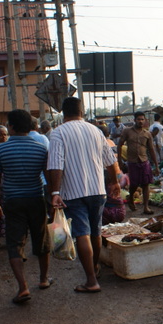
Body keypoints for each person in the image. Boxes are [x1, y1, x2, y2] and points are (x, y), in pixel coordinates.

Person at [47, 97, 118, 294]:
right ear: (82, 111)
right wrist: (114, 182)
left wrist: (55, 192)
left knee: (82, 233)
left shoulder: (58, 133)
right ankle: (94, 268)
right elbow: (110, 161)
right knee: (95, 231)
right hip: (97, 189)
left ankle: (91, 280)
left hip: (73, 191)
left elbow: (55, 164)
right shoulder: (95, 130)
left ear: (63, 112)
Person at [0, 109, 51, 305]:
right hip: (36, 198)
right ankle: (43, 280)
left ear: (13, 127)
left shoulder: (0, 149)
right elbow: (48, 179)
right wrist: (52, 202)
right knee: (40, 240)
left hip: (13, 201)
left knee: (14, 243)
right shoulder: (41, 149)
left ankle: (23, 287)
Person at [118, 111, 159, 214]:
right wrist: (119, 160)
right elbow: (119, 145)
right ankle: (130, 198)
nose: (140, 121)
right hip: (132, 162)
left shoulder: (147, 134)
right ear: (134, 120)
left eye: (142, 119)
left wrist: (156, 165)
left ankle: (146, 207)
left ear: (144, 120)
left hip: (144, 161)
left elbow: (151, 150)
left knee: (146, 184)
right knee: (134, 184)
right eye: (138, 119)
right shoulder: (127, 131)